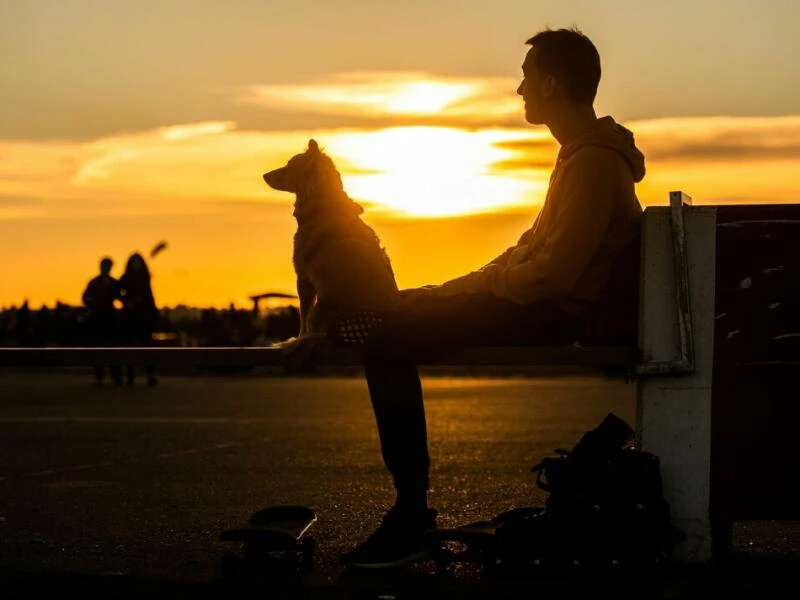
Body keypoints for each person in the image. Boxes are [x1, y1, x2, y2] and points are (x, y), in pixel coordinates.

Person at [340, 27, 646, 567]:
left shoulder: (594, 163)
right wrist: (449, 290)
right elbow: (525, 251)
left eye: (526, 77)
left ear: (551, 84)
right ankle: (407, 509)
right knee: (401, 314)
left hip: (550, 314)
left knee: (388, 344)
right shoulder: (580, 155)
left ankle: (410, 517)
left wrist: (479, 290)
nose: (519, 89)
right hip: (534, 304)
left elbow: (554, 274)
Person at [119, 252, 159, 387]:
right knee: (130, 347)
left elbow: (149, 296)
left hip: (144, 317)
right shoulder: (125, 278)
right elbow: (118, 292)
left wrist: (154, 314)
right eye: (134, 261)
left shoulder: (145, 277)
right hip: (130, 317)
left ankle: (150, 374)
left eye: (138, 261)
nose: (136, 264)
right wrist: (127, 302)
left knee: (147, 347)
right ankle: (130, 377)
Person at [82, 257, 122, 386]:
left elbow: (120, 297)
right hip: (98, 318)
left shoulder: (113, 282)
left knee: (113, 349)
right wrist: (91, 305)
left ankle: (115, 376)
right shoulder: (94, 283)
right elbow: (85, 297)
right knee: (98, 349)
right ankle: (100, 376)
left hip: (110, 319)